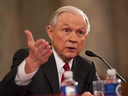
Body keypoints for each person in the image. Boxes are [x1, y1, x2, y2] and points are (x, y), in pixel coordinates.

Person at [0, 6, 100, 96]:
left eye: (79, 32)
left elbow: (101, 93)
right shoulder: (29, 58)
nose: (73, 39)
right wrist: (27, 70)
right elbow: (6, 93)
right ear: (51, 32)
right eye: (66, 30)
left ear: (85, 37)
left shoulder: (87, 66)